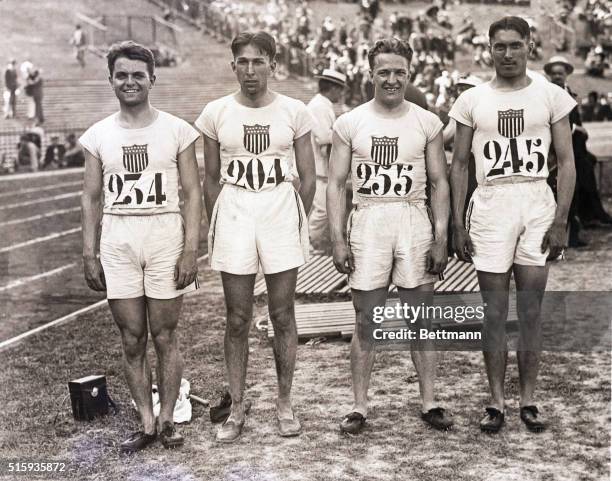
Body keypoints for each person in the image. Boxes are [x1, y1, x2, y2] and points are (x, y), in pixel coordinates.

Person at [449, 16, 576, 434]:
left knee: (532, 310)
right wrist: (457, 223)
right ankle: (495, 401)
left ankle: (529, 399)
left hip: (536, 199)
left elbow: (568, 162)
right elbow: (461, 163)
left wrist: (561, 220)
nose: (507, 54)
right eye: (499, 46)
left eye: (515, 45)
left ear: (529, 45)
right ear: (488, 48)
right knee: (494, 311)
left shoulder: (551, 95)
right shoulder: (472, 100)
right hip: (491, 203)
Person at [80, 41, 202, 452]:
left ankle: (168, 420)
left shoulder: (177, 129)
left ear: (152, 78)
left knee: (165, 334)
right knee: (131, 336)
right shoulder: (98, 134)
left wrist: (190, 249)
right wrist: (88, 251)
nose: (129, 82)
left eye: (137, 75)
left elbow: (192, 192)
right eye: (121, 75)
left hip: (164, 233)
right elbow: (92, 197)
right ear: (110, 79)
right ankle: (146, 422)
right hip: (118, 238)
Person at [327, 37, 453, 435]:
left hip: (413, 215)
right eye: (384, 71)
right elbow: (335, 184)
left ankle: (430, 400)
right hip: (369, 218)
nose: (392, 79)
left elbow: (439, 182)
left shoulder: (426, 121)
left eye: (399, 71)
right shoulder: (350, 122)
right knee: (366, 318)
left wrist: (441, 236)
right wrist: (336, 237)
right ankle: (359, 405)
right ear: (370, 74)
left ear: (410, 73)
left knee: (421, 318)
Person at [196, 31, 315, 443]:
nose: (250, 69)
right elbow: (210, 178)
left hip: (279, 207)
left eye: (258, 61)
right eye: (242, 61)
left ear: (273, 65)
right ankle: (239, 407)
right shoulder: (215, 112)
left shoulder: (295, 110)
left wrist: (290, 211)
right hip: (236, 208)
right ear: (233, 66)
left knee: (283, 313)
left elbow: (309, 176)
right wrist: (224, 218)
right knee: (237, 317)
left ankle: (284, 402)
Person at [307, 69, 346, 250]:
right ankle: (305, 244)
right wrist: (344, 133)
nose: (341, 94)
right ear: (332, 88)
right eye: (340, 89)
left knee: (323, 207)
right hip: (316, 164)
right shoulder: (319, 106)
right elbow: (323, 136)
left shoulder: (323, 105)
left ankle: (309, 242)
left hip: (321, 163)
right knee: (322, 209)